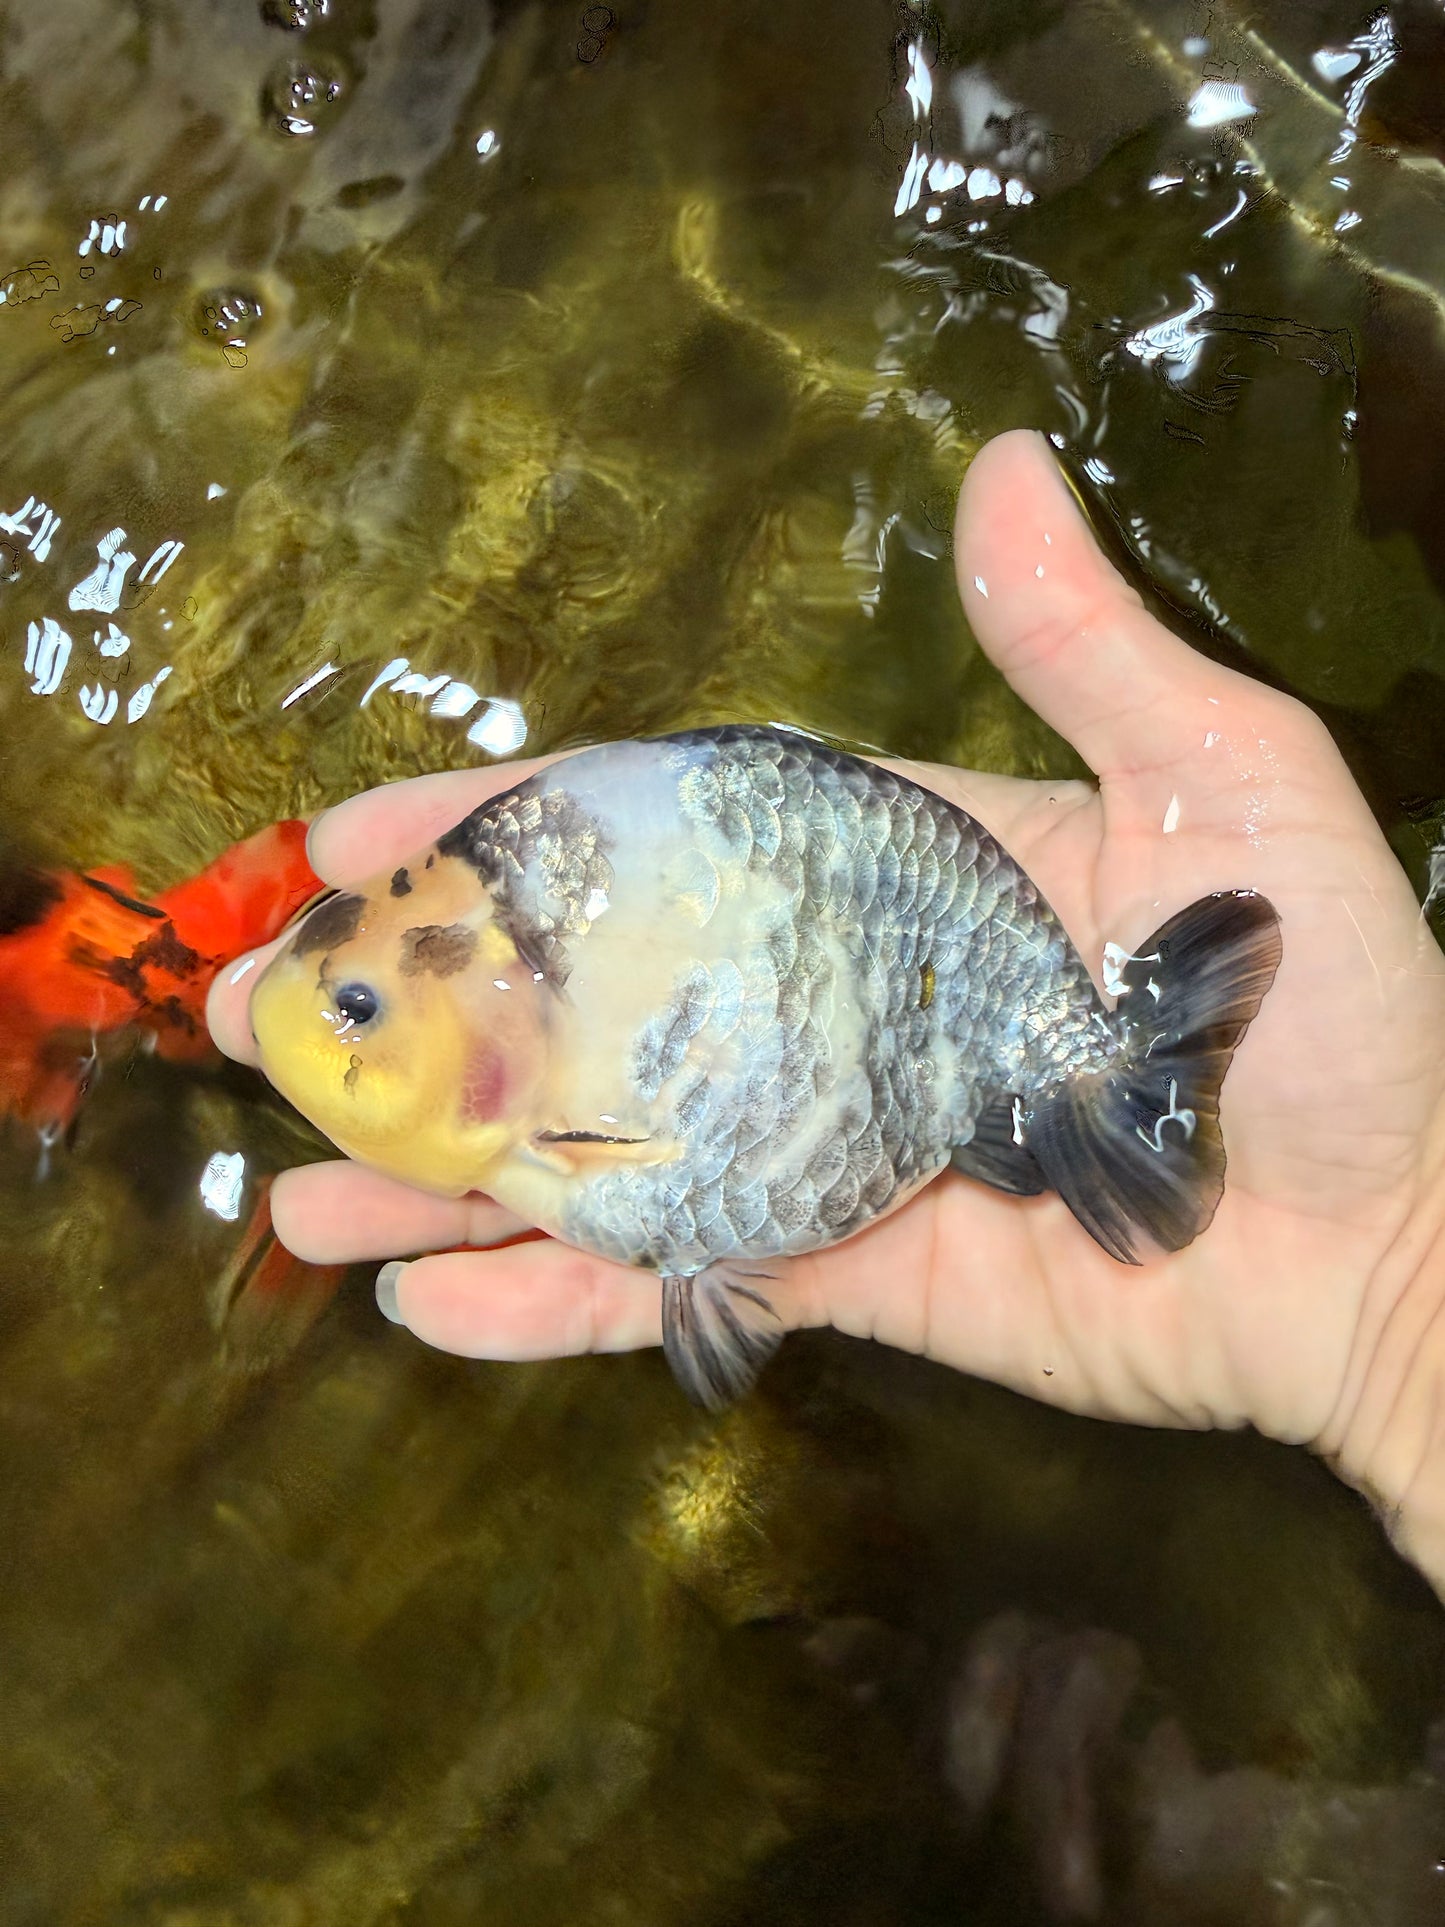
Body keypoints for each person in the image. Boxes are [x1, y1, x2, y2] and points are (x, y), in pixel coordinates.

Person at [206, 429, 1445, 1599]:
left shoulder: (560, 1100)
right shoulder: (539, 1032)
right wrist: (1389, 1327)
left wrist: (1400, 1289)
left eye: (358, 1006)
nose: (332, 1034)